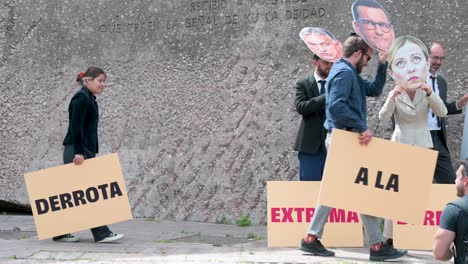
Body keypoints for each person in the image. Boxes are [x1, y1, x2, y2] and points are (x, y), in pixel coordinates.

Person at [299, 34, 407, 261]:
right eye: (367, 59)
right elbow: (336, 106)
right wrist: (361, 127)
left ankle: (312, 238)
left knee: (351, 191)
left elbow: (375, 90)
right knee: (361, 191)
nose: (367, 63)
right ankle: (376, 246)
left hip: (345, 139)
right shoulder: (343, 73)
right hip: (344, 139)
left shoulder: (349, 74)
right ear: (357, 54)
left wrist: (383, 62)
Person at [379, 35, 448, 245]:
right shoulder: (396, 92)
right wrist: (392, 97)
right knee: (395, 194)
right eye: (402, 64)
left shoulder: (424, 90)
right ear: (394, 72)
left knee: (419, 195)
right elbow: (382, 118)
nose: (410, 69)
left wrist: (430, 94)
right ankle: (390, 238)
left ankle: (416, 236)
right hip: (400, 145)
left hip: (422, 145)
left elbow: (442, 112)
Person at [53, 67, 124, 243]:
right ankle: (101, 233)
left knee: (76, 194)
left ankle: (60, 232)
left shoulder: (89, 98)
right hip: (77, 151)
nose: (103, 84)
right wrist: (79, 152)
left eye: (104, 81)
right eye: (100, 81)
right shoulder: (81, 98)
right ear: (88, 81)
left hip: (83, 150)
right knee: (88, 194)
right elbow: (75, 127)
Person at [427, 43, 468, 184]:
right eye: (435, 58)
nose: (438, 62)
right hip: (420, 137)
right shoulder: (415, 79)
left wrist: (460, 103)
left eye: (442, 59)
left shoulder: (441, 82)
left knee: (450, 183)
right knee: (417, 182)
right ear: (427, 57)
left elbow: (441, 108)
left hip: (438, 137)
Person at [294, 54, 333, 181]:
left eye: (332, 64)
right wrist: (326, 95)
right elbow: (301, 107)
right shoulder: (303, 84)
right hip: (309, 148)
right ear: (316, 63)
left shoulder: (337, 85)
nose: (330, 67)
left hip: (332, 148)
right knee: (308, 193)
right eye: (326, 63)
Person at [433, 159, 468, 263]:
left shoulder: (454, 209)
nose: (455, 181)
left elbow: (439, 253)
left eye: (457, 177)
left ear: (465, 180)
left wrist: (451, 251)